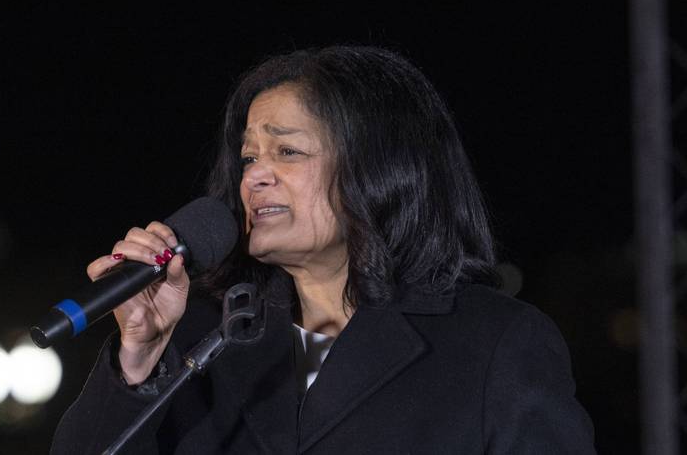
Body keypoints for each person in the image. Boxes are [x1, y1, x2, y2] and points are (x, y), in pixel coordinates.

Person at [51, 45, 595, 454]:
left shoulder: (494, 341)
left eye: (287, 150)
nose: (256, 176)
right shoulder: (202, 342)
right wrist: (139, 359)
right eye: (247, 158)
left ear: (378, 167)